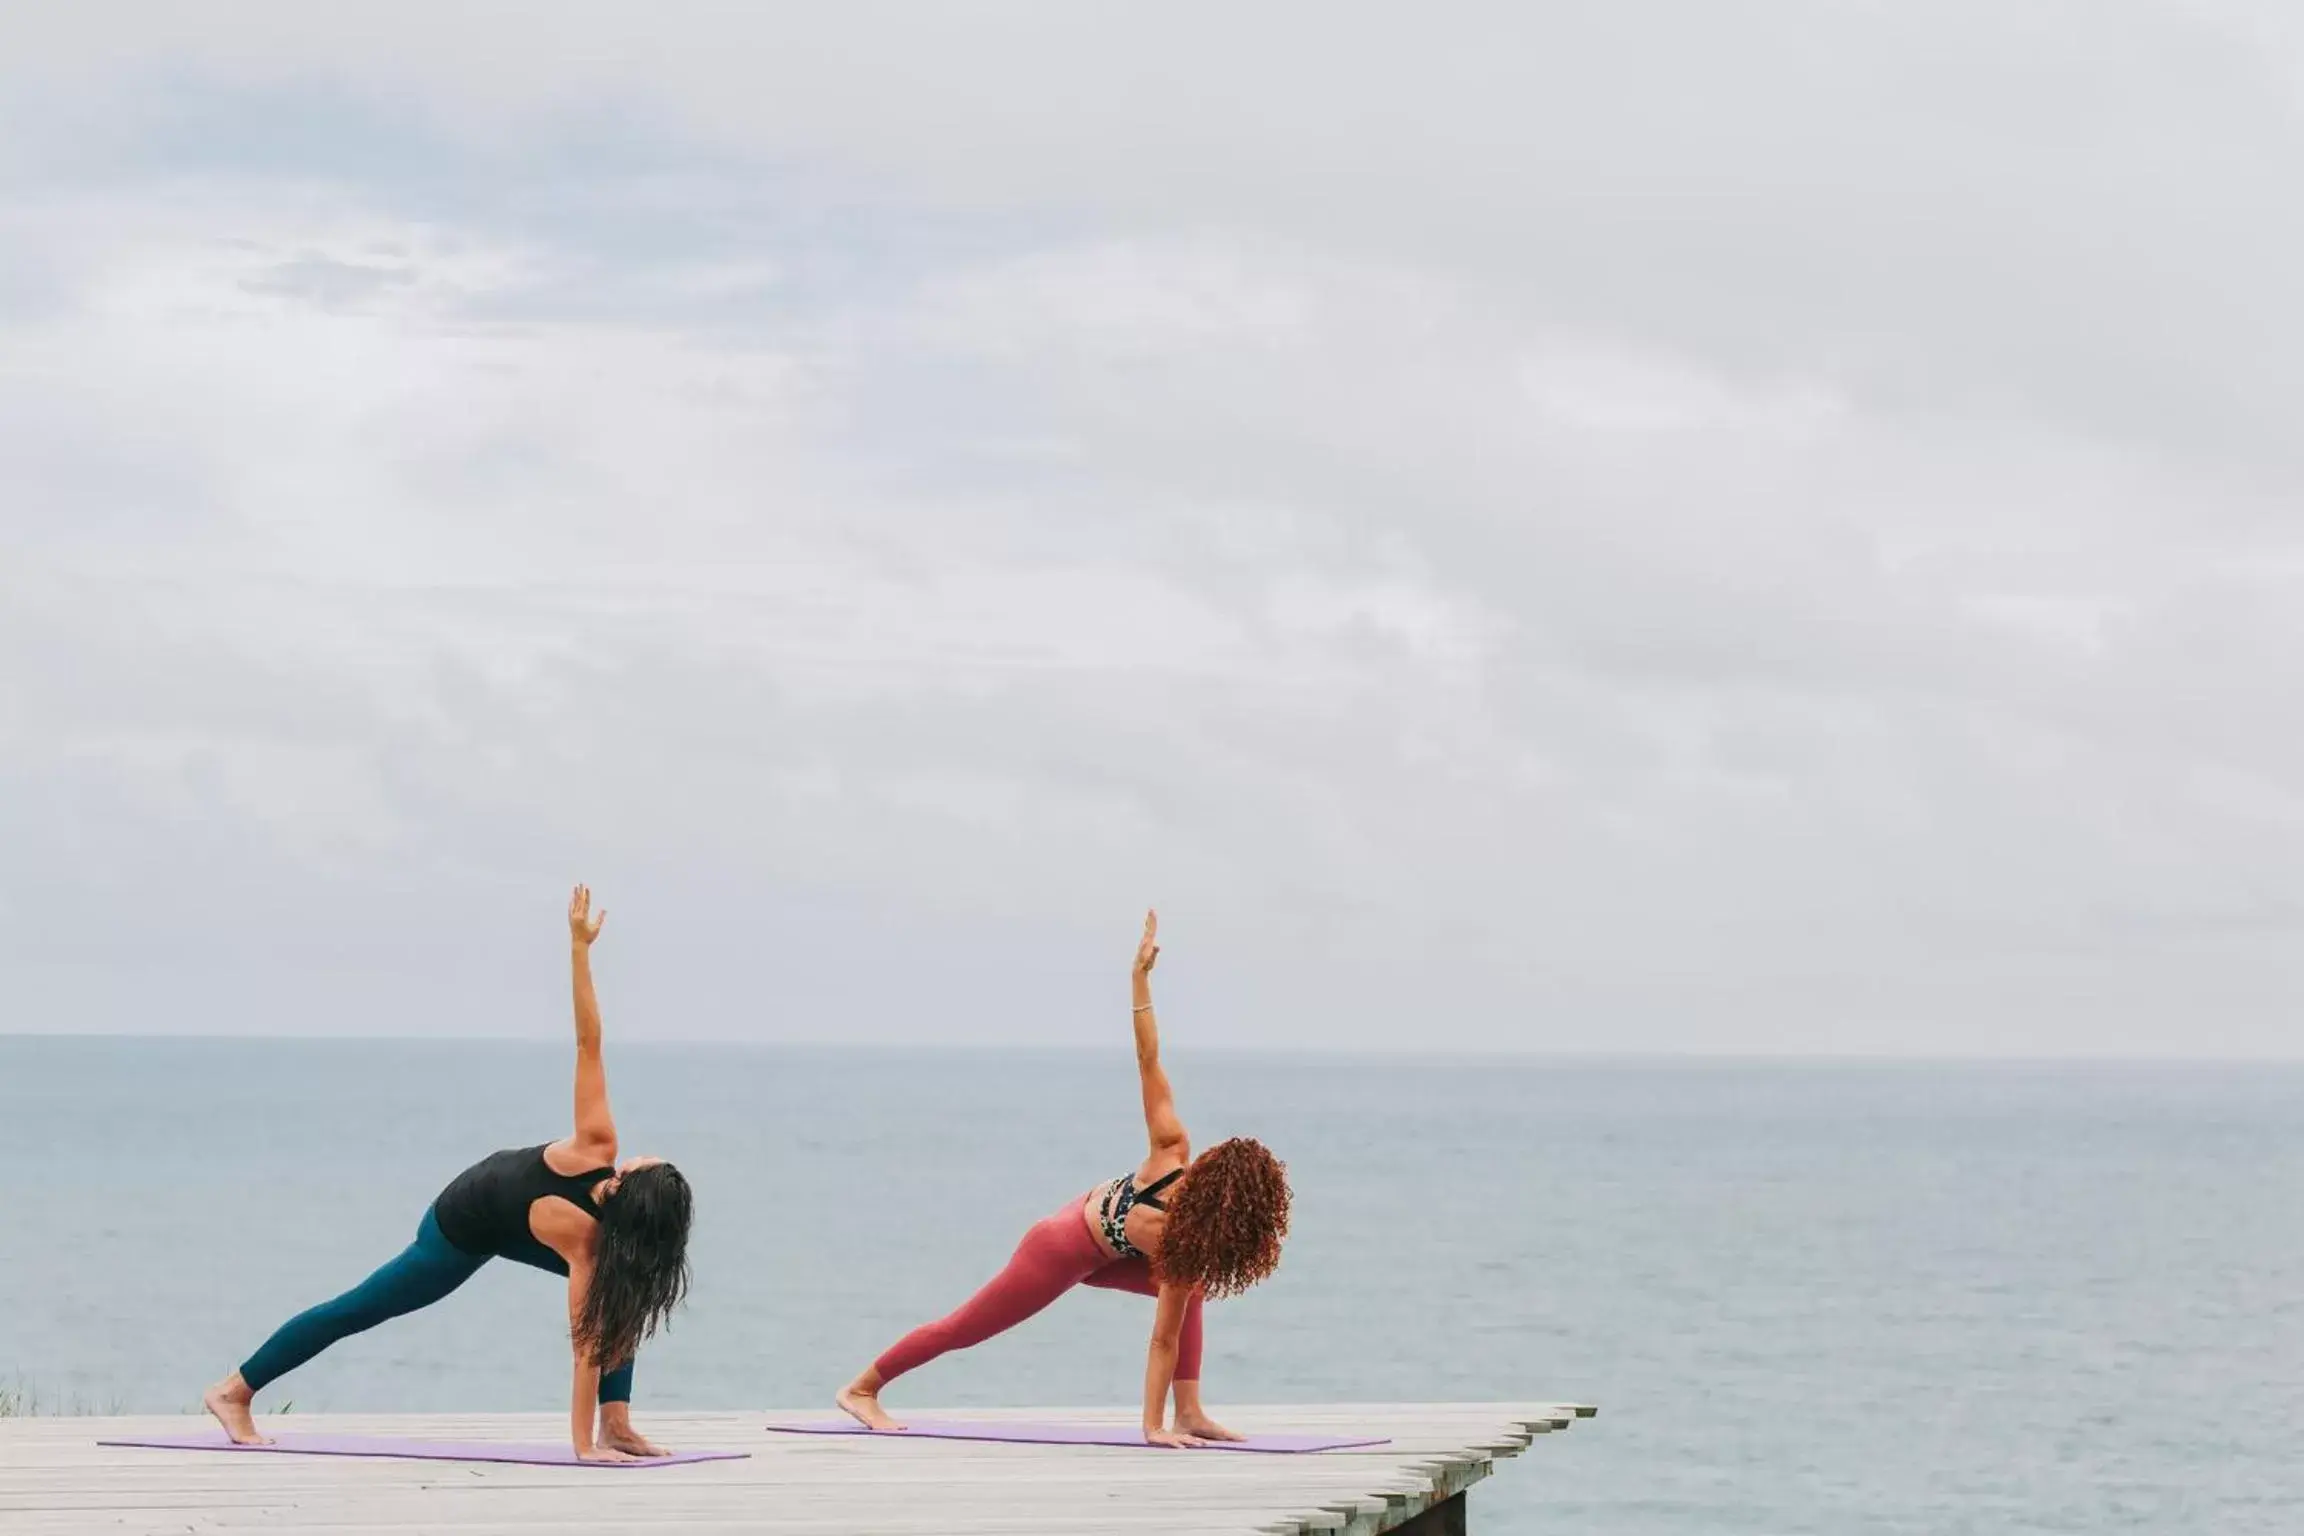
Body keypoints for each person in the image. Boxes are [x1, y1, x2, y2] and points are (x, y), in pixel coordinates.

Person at [201, 885, 694, 1462]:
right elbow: (589, 1042)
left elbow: (593, 1338)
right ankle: (233, 1390)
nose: (644, 1154)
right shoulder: (593, 1168)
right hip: (467, 1216)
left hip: (527, 1217)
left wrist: (596, 1438)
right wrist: (579, 949)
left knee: (625, 1289)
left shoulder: (604, 1241)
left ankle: (619, 1425)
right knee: (364, 1306)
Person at [837, 910, 1290, 1447]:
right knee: (966, 1327)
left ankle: (1189, 1412)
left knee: (1193, 1290)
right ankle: (863, 1388)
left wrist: (1140, 978)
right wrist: (1150, 1428)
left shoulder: (1182, 1205)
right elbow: (1161, 1341)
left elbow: (1150, 1058)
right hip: (1059, 1247)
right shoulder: (1170, 1164)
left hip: (1111, 1251)